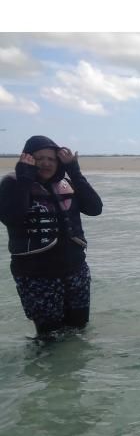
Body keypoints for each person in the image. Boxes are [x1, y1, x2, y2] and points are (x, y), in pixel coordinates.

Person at [0, 135, 103, 337]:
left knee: (79, 330)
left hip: (75, 269)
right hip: (36, 275)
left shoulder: (67, 182)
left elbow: (95, 208)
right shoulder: (12, 184)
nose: (46, 163)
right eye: (39, 158)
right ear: (27, 159)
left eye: (51, 159)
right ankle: (44, 367)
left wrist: (74, 170)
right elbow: (12, 218)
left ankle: (75, 369)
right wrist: (25, 178)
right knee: (49, 336)